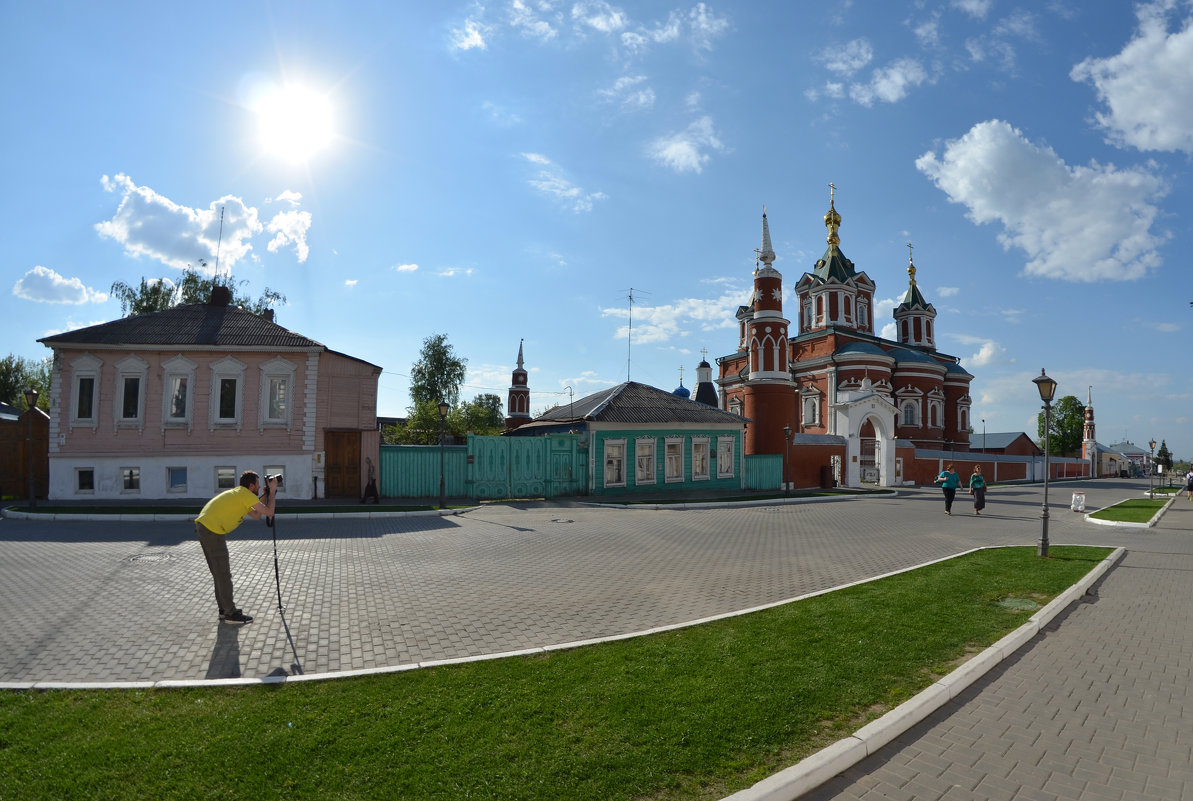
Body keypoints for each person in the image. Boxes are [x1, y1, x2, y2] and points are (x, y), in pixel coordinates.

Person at [194, 471, 277, 624]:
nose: (260, 487)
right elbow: (269, 512)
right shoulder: (245, 495)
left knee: (219, 574)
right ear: (251, 486)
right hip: (212, 531)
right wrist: (272, 492)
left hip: (206, 528)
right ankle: (230, 614)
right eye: (258, 485)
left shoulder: (241, 494)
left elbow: (257, 515)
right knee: (223, 574)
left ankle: (224, 609)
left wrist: (265, 495)